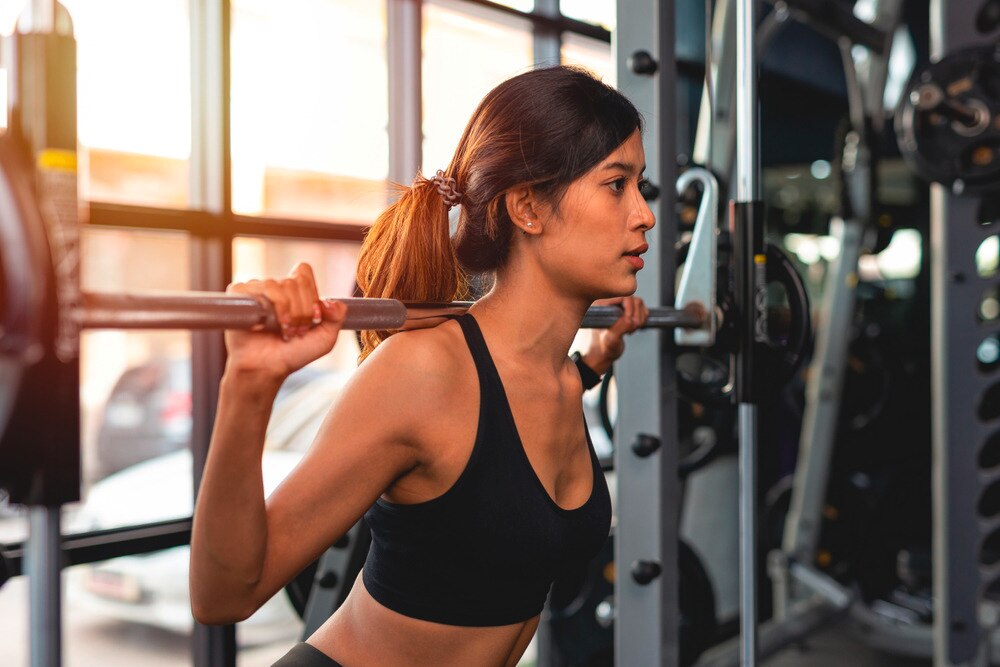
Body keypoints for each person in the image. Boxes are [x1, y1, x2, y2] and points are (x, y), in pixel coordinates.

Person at [189, 65, 655, 667]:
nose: (643, 214)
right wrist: (249, 385)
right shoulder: (423, 372)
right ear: (528, 208)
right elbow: (223, 593)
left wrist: (597, 359)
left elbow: (499, 452)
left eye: (641, 186)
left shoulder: (561, 375)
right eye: (617, 184)